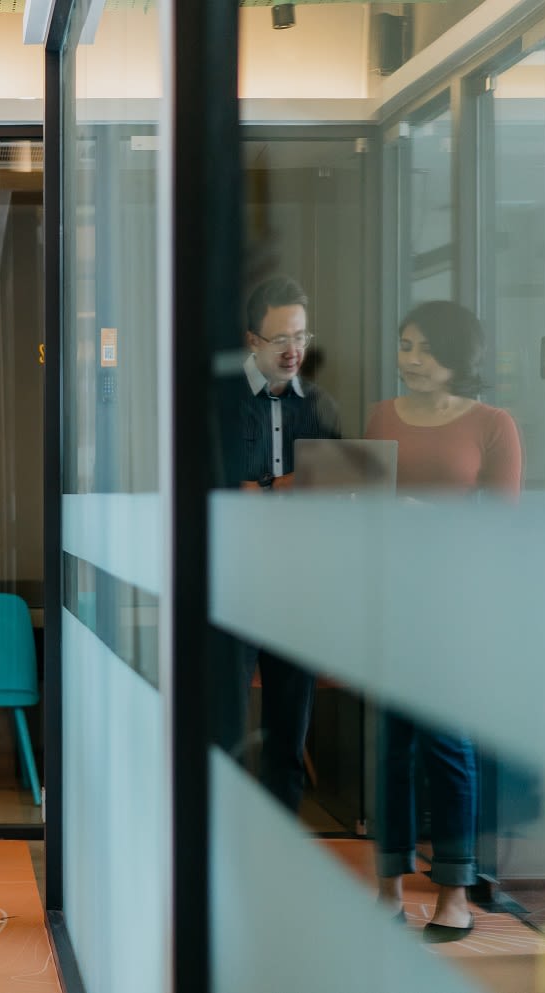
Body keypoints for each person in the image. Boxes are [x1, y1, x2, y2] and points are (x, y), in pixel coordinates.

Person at [365, 300, 522, 943]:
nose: (411, 359)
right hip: (388, 599)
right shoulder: (381, 416)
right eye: (405, 345)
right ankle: (388, 890)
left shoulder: (492, 424)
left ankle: (455, 891)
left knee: (448, 747)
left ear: (458, 355)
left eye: (425, 348)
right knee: (392, 750)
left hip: (456, 606)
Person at [214, 275, 340, 813]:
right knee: (221, 729)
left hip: (298, 586)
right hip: (230, 582)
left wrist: (261, 490)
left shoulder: (319, 407)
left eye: (302, 337)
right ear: (251, 340)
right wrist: (288, 487)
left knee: (289, 732)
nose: (293, 351)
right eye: (280, 339)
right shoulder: (217, 404)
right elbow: (216, 496)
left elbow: (334, 492)